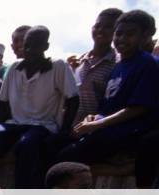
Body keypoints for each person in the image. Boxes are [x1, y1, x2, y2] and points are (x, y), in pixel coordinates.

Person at [56, 10, 159, 178]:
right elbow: (109, 105)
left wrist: (98, 124)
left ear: (145, 35)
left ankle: (123, 170)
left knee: (66, 159)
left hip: (127, 132)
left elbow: (139, 108)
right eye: (119, 34)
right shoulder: (120, 66)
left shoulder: (148, 64)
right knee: (56, 144)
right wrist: (93, 118)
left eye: (130, 34)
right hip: (107, 128)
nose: (122, 39)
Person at [0, 26, 80, 188]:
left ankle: (25, 194)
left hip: (43, 125)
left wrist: (64, 130)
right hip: (15, 123)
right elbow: (3, 102)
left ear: (45, 46)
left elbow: (73, 99)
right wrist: (1, 126)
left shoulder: (57, 66)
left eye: (35, 46)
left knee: (27, 145)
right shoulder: (14, 68)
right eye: (27, 46)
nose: (29, 50)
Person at [70, 8, 122, 124]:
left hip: (96, 128)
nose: (100, 30)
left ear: (117, 31)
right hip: (70, 126)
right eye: (97, 26)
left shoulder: (118, 63)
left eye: (108, 27)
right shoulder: (80, 61)